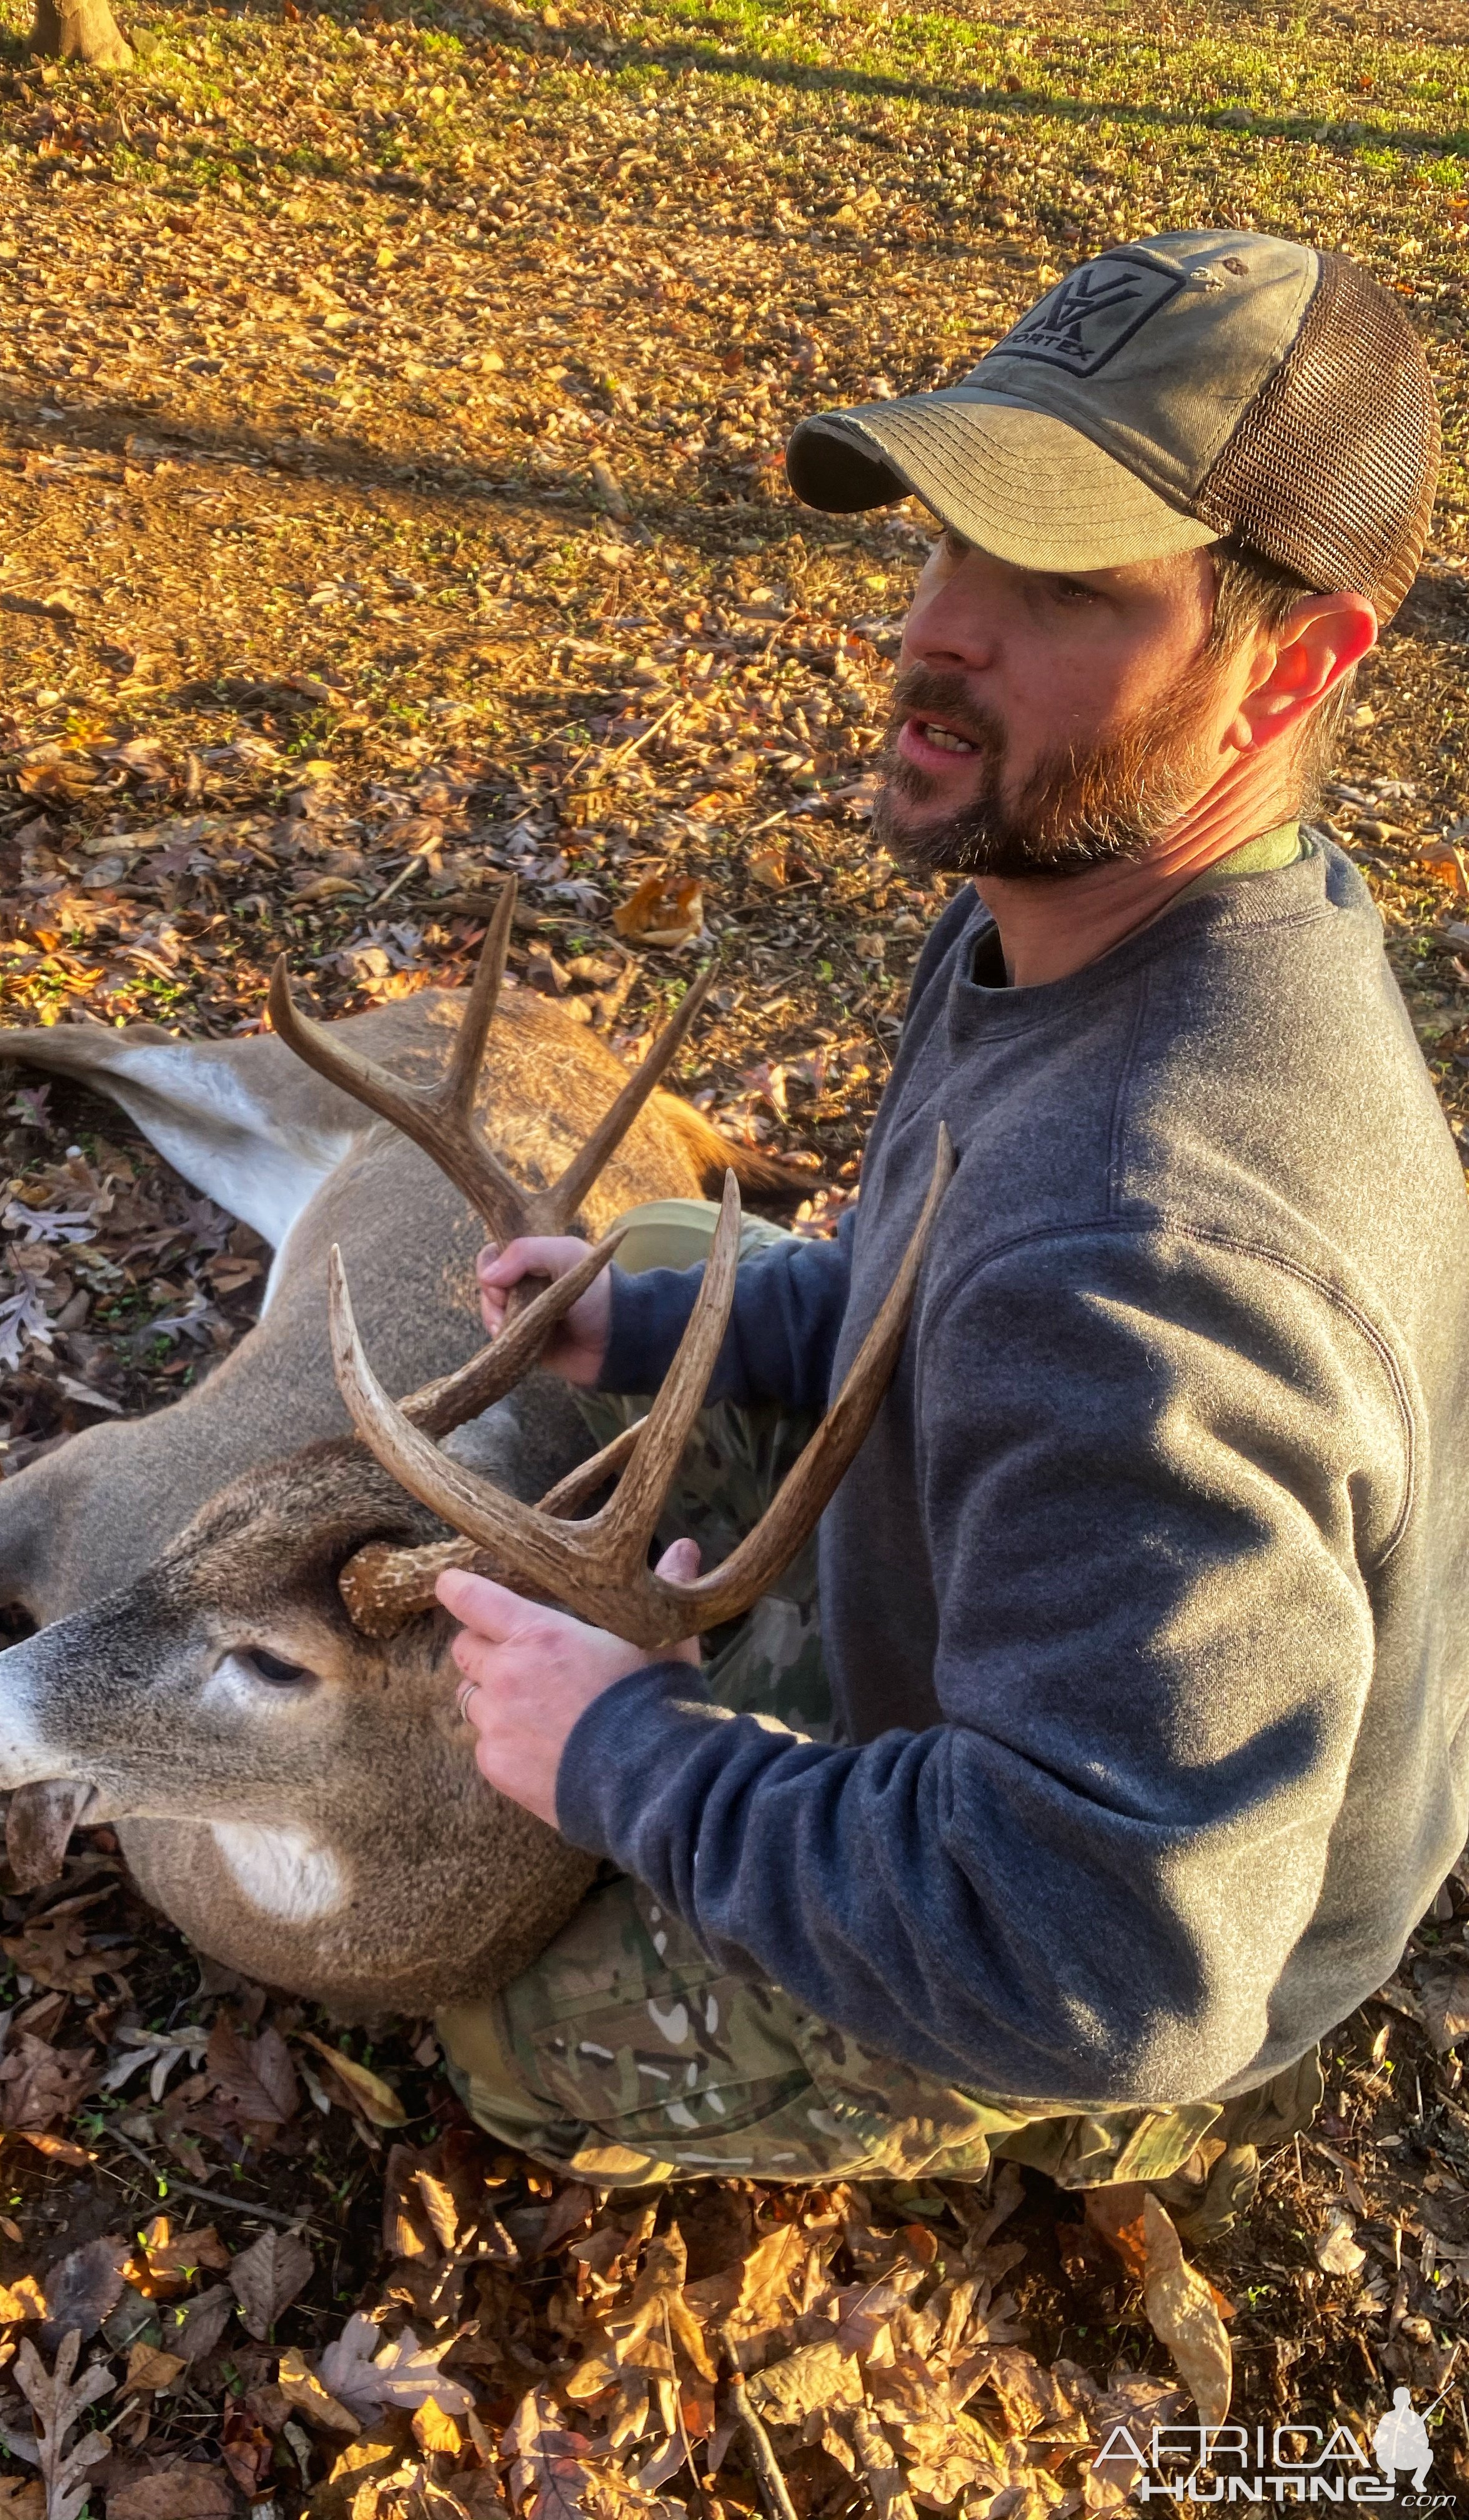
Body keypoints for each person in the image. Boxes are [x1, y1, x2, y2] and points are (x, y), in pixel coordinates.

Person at [426, 230, 1469, 2229]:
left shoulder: (1148, 1258)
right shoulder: (1083, 912)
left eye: (1063, 584)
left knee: (496, 2029)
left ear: (1298, 663)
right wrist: (654, 1325)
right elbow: (937, 1293)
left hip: (1164, 1931)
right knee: (604, 1357)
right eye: (944, 537)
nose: (936, 634)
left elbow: (1120, 1962)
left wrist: (631, 1764)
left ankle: (1083, 2153)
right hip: (1080, 1665)